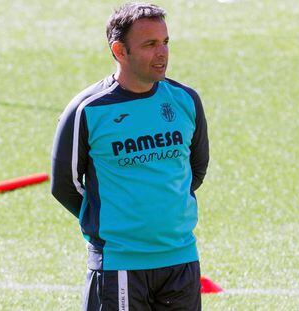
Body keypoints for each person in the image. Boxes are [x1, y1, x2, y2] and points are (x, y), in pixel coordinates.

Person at [51, 3, 209, 310]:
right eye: (150, 45)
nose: (162, 53)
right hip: (118, 264)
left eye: (165, 42)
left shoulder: (185, 100)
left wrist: (165, 210)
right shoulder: (88, 110)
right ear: (120, 51)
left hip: (181, 259)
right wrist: (110, 218)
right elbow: (65, 185)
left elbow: (196, 169)